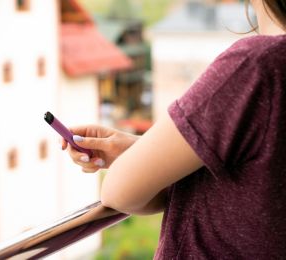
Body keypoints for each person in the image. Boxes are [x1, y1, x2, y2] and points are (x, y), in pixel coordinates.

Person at [61, 0, 286, 258]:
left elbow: (118, 192)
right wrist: (148, 152)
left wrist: (135, 164)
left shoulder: (257, 66)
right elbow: (255, 186)